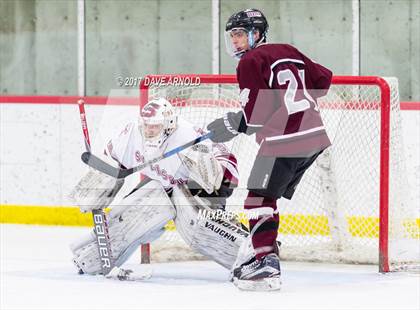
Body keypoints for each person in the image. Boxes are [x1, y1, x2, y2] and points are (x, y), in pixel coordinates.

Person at [207, 8, 333, 291]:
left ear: (257, 34)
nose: (236, 41)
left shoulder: (250, 61)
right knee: (264, 197)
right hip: (314, 138)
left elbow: (255, 118)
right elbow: (323, 80)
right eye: (233, 36)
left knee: (257, 200)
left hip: (284, 140)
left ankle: (264, 260)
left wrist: (229, 123)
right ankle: (264, 245)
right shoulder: (288, 50)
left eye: (240, 34)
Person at [70, 98, 248, 280]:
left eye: (154, 126)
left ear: (169, 126)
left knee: (199, 226)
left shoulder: (189, 136)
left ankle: (252, 257)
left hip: (195, 191)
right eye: (146, 125)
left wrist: (212, 173)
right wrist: (99, 179)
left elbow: (229, 172)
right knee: (132, 217)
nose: (148, 130)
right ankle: (93, 259)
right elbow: (111, 163)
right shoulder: (132, 134)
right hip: (161, 188)